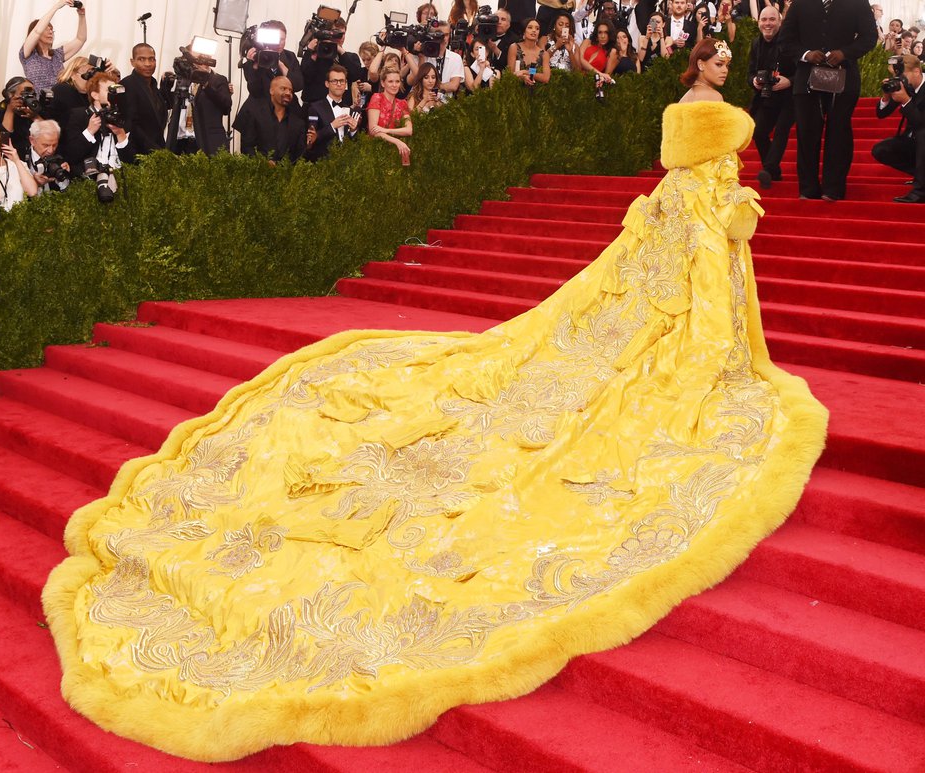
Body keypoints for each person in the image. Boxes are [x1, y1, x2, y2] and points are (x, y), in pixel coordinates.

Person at [43, 34, 827, 765]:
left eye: (729, 56)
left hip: (683, 227)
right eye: (717, 55)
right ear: (697, 65)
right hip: (686, 230)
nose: (726, 63)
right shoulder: (701, 118)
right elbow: (695, 201)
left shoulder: (693, 119)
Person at [780, 0, 877, 201]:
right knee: (806, 133)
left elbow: (869, 37)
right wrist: (806, 54)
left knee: (839, 132)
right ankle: (808, 189)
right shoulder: (800, 3)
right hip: (806, 78)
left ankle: (833, 189)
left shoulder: (857, 2)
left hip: (844, 77)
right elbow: (786, 39)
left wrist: (844, 53)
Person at [748, 6, 794, 189]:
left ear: (780, 21)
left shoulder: (791, 42)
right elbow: (750, 73)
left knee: (782, 130)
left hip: (790, 97)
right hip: (767, 96)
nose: (767, 23)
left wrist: (788, 81)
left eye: (772, 19)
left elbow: (805, 72)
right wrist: (754, 82)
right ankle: (773, 171)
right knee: (758, 132)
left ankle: (768, 169)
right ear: (759, 22)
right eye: (764, 19)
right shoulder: (755, 44)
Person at [871, 54, 925, 203]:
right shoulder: (905, 86)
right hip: (914, 142)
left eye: (903, 75)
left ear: (916, 71)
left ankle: (920, 191)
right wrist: (886, 97)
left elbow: (921, 123)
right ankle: (921, 175)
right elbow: (881, 114)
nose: (900, 79)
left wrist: (906, 101)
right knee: (881, 150)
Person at [63, 71, 136, 175]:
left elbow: (132, 162)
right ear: (95, 95)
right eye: (109, 90)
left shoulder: (123, 118)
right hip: (88, 182)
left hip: (118, 180)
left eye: (115, 90)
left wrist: (120, 135)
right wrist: (89, 132)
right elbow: (71, 156)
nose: (113, 94)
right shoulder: (79, 116)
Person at [235, 75, 310, 162]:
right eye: (283, 88)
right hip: (259, 172)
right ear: (271, 91)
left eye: (290, 90)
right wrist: (263, 163)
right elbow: (247, 147)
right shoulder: (255, 115)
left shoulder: (297, 123)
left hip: (287, 173)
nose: (288, 93)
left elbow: (299, 154)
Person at [166, 61, 233, 156]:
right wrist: (166, 85)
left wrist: (206, 84)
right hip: (179, 140)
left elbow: (226, 107)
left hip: (206, 140)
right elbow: (170, 104)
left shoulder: (218, 79)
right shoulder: (183, 78)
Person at [19, 0, 87, 92]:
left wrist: (82, 15)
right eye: (47, 29)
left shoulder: (57, 54)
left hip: (61, 101)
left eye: (51, 29)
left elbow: (80, 39)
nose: (50, 31)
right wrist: (56, 7)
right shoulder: (28, 54)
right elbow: (37, 31)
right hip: (41, 103)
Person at [121, 44, 173, 156]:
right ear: (132, 62)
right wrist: (154, 150)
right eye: (141, 59)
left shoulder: (154, 85)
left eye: (151, 59)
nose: (148, 64)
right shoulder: (127, 84)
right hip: (137, 153)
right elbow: (131, 125)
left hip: (158, 150)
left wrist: (166, 87)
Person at [301, 18, 363, 107]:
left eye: (343, 33)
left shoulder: (350, 57)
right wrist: (312, 51)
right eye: (336, 32)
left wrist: (340, 50)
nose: (340, 36)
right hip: (315, 106)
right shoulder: (316, 55)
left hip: (342, 106)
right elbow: (305, 76)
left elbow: (355, 76)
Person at [305, 65, 360, 162]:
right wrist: (332, 126)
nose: (339, 84)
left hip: (347, 164)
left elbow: (355, 143)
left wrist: (353, 130)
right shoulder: (315, 108)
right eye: (334, 81)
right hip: (323, 164)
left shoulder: (351, 111)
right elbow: (311, 139)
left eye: (342, 81)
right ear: (327, 84)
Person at [243, 21, 304, 102]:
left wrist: (280, 64)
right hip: (261, 105)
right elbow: (255, 91)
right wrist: (254, 67)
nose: (279, 43)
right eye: (276, 39)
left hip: (287, 105)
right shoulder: (257, 57)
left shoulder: (290, 56)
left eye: (282, 39)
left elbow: (298, 85)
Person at [0, 77, 40, 160]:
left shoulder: (33, 110)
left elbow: (48, 134)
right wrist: (10, 109)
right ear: (10, 94)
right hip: (5, 159)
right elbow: (4, 137)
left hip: (29, 161)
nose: (29, 96)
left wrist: (35, 116)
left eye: (32, 93)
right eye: (25, 93)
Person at [367, 68, 413, 164]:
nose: (394, 85)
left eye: (397, 81)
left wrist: (386, 130)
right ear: (383, 83)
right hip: (376, 150)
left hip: (394, 153)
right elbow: (373, 130)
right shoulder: (377, 98)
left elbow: (409, 130)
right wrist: (397, 141)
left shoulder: (402, 103)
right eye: (390, 81)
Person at [423, 22, 467, 100]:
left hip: (446, 104)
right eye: (439, 34)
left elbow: (454, 86)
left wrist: (430, 85)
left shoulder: (456, 58)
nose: (443, 38)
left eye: (446, 35)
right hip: (423, 102)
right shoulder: (424, 55)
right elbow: (417, 81)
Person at [27, 119, 70, 194]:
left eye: (54, 145)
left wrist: (65, 177)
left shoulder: (62, 155)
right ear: (32, 140)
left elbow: (69, 193)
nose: (50, 150)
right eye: (46, 145)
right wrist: (34, 184)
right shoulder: (20, 156)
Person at [508, 18, 552, 84]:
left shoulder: (544, 54)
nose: (534, 30)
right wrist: (523, 78)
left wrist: (526, 72)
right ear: (524, 31)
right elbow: (510, 73)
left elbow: (546, 78)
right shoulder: (514, 47)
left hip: (537, 90)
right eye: (530, 27)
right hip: (516, 88)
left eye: (537, 28)